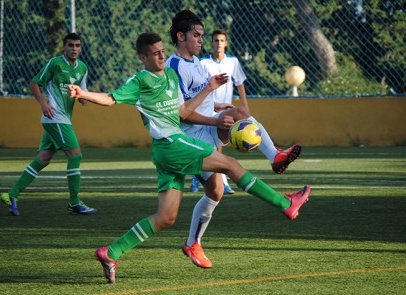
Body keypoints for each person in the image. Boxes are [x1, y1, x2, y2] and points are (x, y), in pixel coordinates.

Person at [67, 32, 311, 284]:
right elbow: (110, 99)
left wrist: (209, 89)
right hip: (171, 144)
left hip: (167, 151)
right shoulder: (139, 81)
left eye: (163, 50)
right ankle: (285, 204)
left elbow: (182, 110)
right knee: (230, 164)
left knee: (165, 218)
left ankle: (112, 252)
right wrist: (83, 93)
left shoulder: (170, 76)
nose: (162, 56)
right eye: (155, 53)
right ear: (143, 57)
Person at [165, 10, 302, 269]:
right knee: (212, 191)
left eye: (202, 36)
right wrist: (215, 116)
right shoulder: (174, 67)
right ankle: (277, 168)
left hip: (204, 129)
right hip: (190, 136)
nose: (201, 41)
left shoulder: (196, 63)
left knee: (240, 116)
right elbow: (181, 113)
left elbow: (198, 101)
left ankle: (276, 157)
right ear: (181, 36)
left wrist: (216, 106)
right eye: (196, 35)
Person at [0, 32, 97, 216]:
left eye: (77, 45)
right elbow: (34, 83)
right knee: (75, 155)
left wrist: (83, 99)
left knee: (43, 159)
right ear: (64, 47)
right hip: (55, 117)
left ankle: (11, 194)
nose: (74, 49)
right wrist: (43, 104)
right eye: (70, 45)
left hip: (62, 119)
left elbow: (82, 91)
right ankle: (74, 202)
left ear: (81, 48)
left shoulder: (82, 68)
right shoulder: (55, 63)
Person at [190, 28, 250, 194]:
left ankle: (203, 175)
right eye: (216, 40)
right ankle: (220, 183)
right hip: (208, 112)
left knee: (218, 148)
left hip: (225, 111)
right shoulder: (203, 64)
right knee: (214, 149)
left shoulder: (233, 62)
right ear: (212, 43)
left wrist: (245, 107)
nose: (218, 44)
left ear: (226, 43)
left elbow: (240, 85)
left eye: (221, 41)